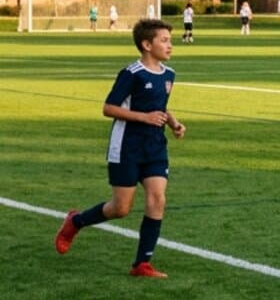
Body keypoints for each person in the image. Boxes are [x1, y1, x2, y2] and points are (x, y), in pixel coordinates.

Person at [54, 19, 187, 278]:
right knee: (121, 208)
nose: (170, 45)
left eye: (170, 40)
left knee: (157, 199)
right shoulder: (131, 73)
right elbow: (109, 108)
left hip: (155, 147)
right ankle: (75, 221)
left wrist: (173, 122)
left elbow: (159, 106)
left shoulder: (169, 75)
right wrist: (144, 117)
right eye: (164, 40)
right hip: (126, 146)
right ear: (147, 45)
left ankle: (141, 264)